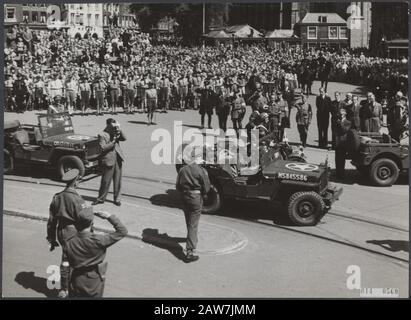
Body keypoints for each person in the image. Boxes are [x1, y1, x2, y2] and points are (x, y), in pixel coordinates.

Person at [47, 168, 93, 298]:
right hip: (74, 234)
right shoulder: (78, 200)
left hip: (61, 233)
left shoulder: (57, 197)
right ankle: (69, 288)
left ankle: (65, 288)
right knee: (74, 262)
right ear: (76, 181)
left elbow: (51, 221)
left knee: (66, 261)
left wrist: (51, 239)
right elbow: (87, 219)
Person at [64, 210, 127, 297]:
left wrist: (64, 288)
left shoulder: (69, 242)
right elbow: (122, 231)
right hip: (94, 281)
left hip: (76, 279)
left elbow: (65, 268)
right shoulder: (99, 240)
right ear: (92, 223)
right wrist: (109, 216)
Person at [176, 148, 211, 263]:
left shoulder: (182, 170)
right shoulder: (200, 170)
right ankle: (190, 251)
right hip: (195, 198)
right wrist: (203, 195)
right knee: (193, 224)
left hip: (183, 197)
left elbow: (177, 186)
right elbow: (207, 187)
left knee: (189, 220)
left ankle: (191, 238)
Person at [93, 119, 126, 206]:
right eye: (112, 126)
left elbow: (124, 138)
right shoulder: (102, 135)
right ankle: (101, 198)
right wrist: (113, 141)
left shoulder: (116, 132)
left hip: (118, 159)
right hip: (108, 160)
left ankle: (117, 199)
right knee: (105, 181)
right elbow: (103, 148)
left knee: (118, 181)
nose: (113, 128)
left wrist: (119, 129)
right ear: (107, 125)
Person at [334, 110, 352, 179]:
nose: (340, 115)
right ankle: (337, 173)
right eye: (339, 114)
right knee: (337, 159)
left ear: (344, 115)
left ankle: (341, 174)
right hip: (337, 142)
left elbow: (344, 130)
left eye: (341, 114)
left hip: (343, 143)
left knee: (341, 159)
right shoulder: (338, 121)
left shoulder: (348, 122)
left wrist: (340, 123)